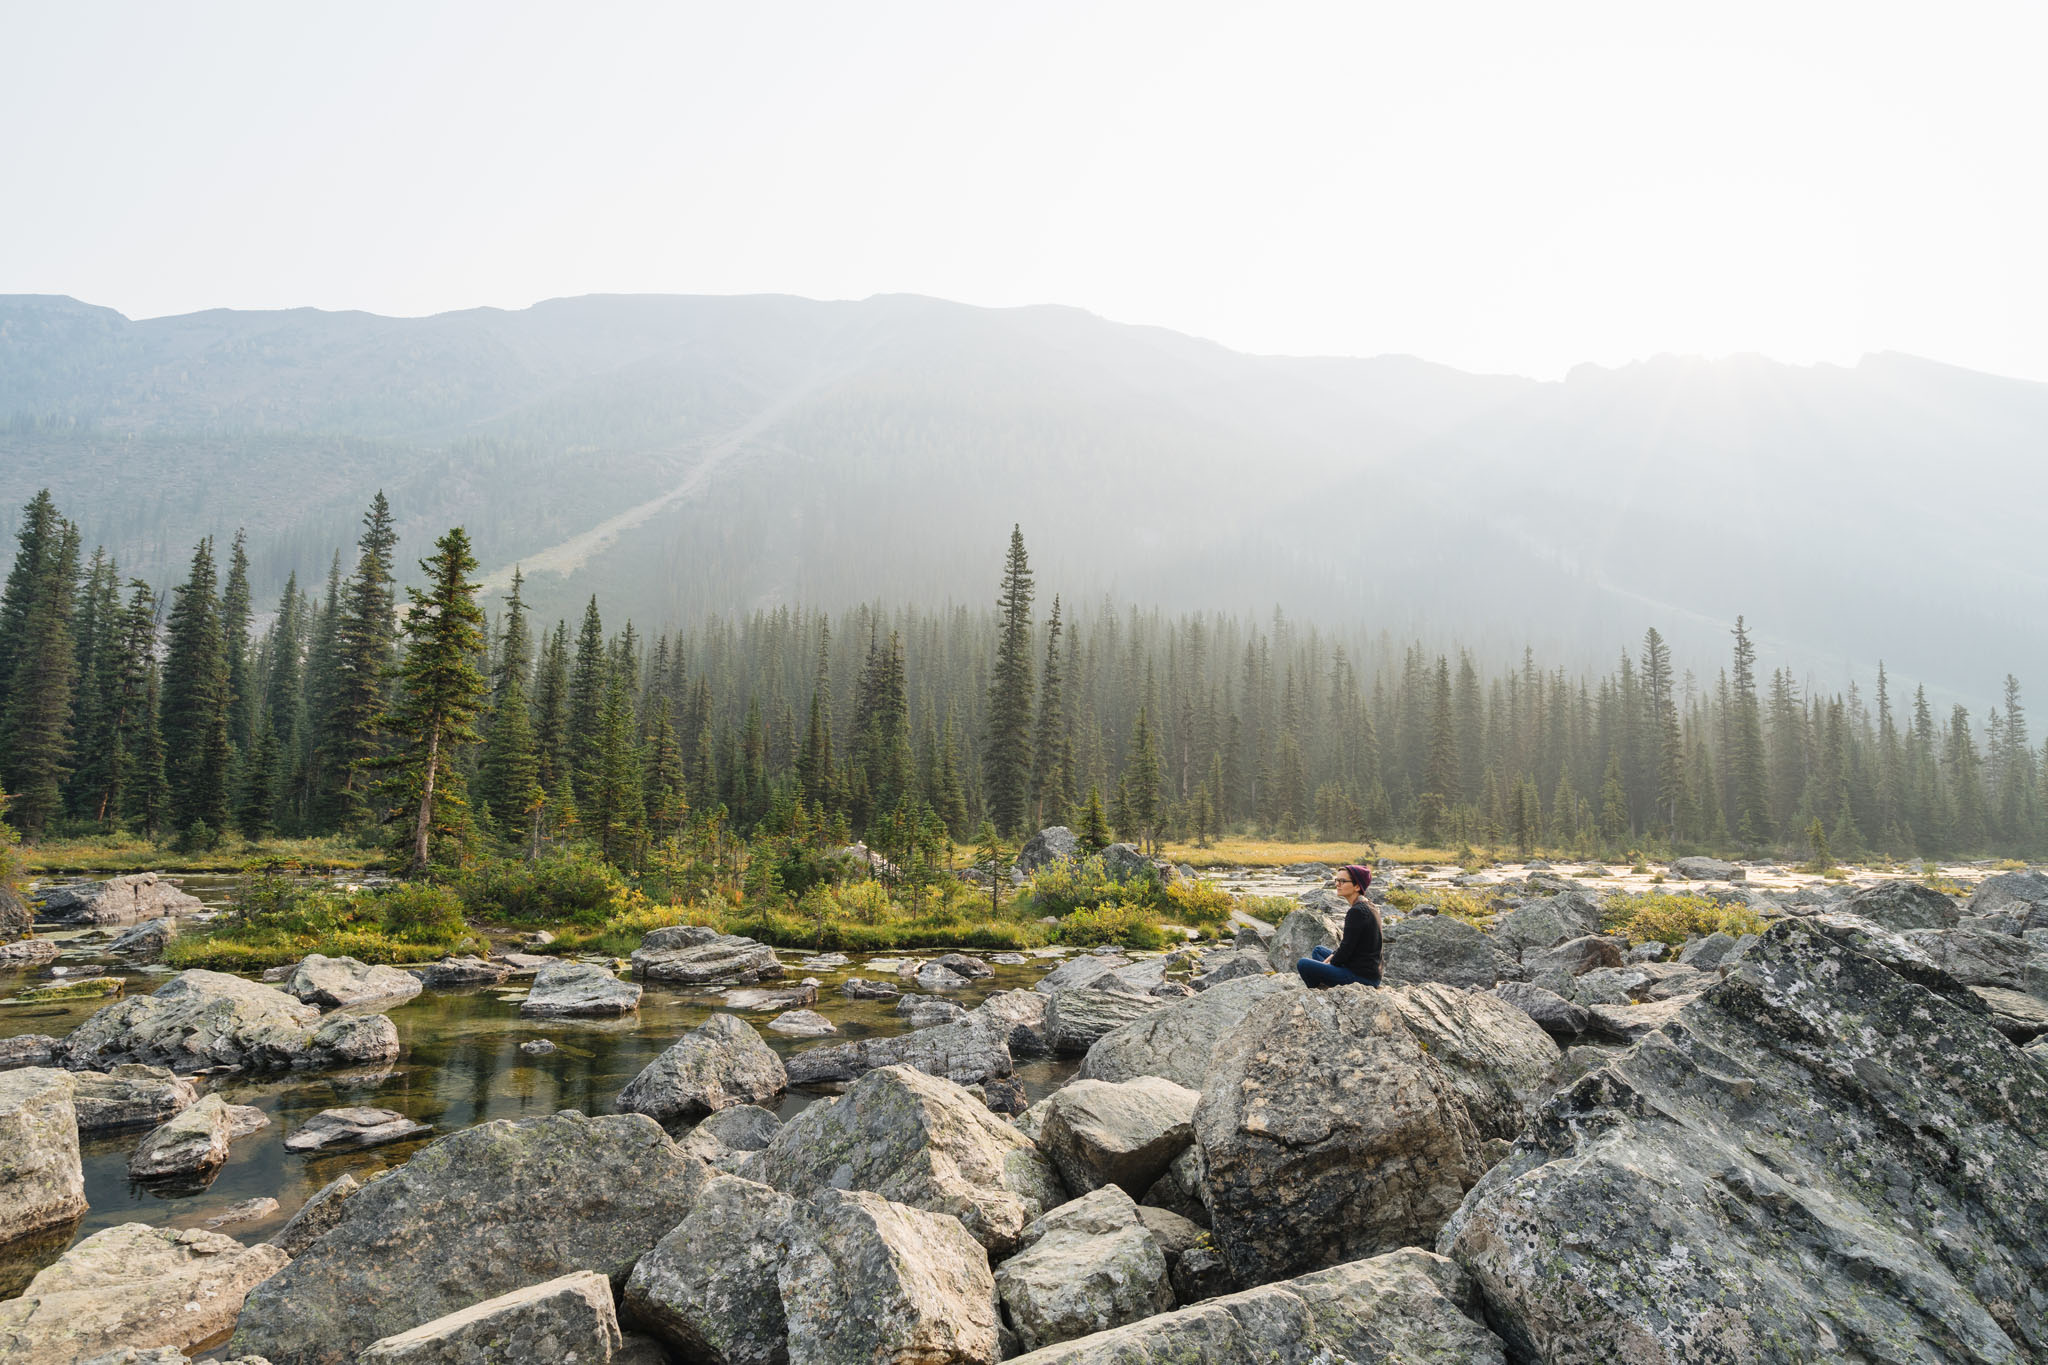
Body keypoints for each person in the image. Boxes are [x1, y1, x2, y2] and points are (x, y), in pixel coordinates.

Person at [1297, 863, 1382, 988]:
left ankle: (1318, 990)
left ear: (1357, 886)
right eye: (1336, 880)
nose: (1337, 884)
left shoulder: (1357, 912)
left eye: (1342, 881)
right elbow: (1347, 945)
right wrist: (1330, 961)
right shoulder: (1369, 906)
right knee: (1318, 951)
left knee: (1303, 964)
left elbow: (1345, 951)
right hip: (1365, 969)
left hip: (1361, 976)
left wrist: (1328, 965)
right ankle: (1324, 980)